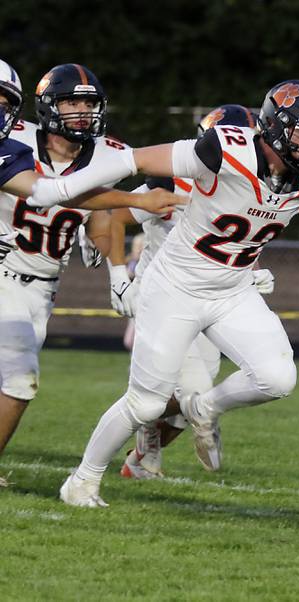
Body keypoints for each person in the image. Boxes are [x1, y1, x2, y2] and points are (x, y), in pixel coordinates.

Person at [30, 79, 299, 507]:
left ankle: (203, 407)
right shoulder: (225, 148)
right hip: (175, 288)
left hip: (232, 289)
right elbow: (135, 160)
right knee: (145, 404)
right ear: (275, 125)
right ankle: (82, 481)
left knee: (277, 379)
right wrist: (62, 190)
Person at [0, 61, 182, 473]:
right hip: (3, 267)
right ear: (48, 106)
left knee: (12, 377)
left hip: (43, 284)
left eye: (88, 103)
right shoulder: (14, 137)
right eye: (70, 103)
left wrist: (117, 272)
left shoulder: (109, 153)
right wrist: (135, 201)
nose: (81, 112)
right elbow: (57, 195)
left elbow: (101, 214)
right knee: (17, 380)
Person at [110, 104, 274, 479]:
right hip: (165, 296)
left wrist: (256, 271)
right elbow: (115, 216)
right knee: (195, 393)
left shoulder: (252, 190)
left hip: (213, 299)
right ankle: (98, 464)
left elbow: (234, 244)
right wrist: (118, 275)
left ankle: (141, 453)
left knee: (191, 402)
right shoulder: (171, 181)